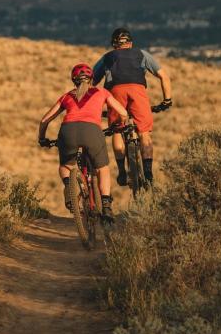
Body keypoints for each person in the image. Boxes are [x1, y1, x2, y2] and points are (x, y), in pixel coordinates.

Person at [37, 63, 129, 222]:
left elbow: (44, 120)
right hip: (92, 131)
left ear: (74, 80)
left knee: (65, 166)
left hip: (68, 131)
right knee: (102, 168)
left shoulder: (67, 96)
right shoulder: (101, 92)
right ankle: (106, 205)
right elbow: (123, 112)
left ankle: (69, 188)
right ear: (92, 78)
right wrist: (117, 126)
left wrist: (42, 139)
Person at [92, 27, 173, 187]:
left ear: (114, 44)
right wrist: (166, 100)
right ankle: (148, 173)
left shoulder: (107, 57)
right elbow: (164, 76)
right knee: (144, 132)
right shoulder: (141, 54)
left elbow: (91, 82)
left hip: (115, 92)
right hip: (138, 91)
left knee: (117, 130)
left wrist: (93, 107)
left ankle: (122, 172)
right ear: (131, 43)